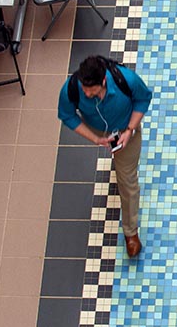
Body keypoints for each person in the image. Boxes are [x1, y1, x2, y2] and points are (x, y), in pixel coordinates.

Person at [57, 56, 153, 258]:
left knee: (127, 182)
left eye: (90, 90)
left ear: (103, 82)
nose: (85, 93)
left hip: (126, 131)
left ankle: (130, 232)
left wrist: (129, 130)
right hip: (98, 129)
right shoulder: (72, 88)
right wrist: (95, 138)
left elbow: (143, 99)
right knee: (121, 170)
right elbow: (67, 115)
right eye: (84, 88)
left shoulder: (127, 80)